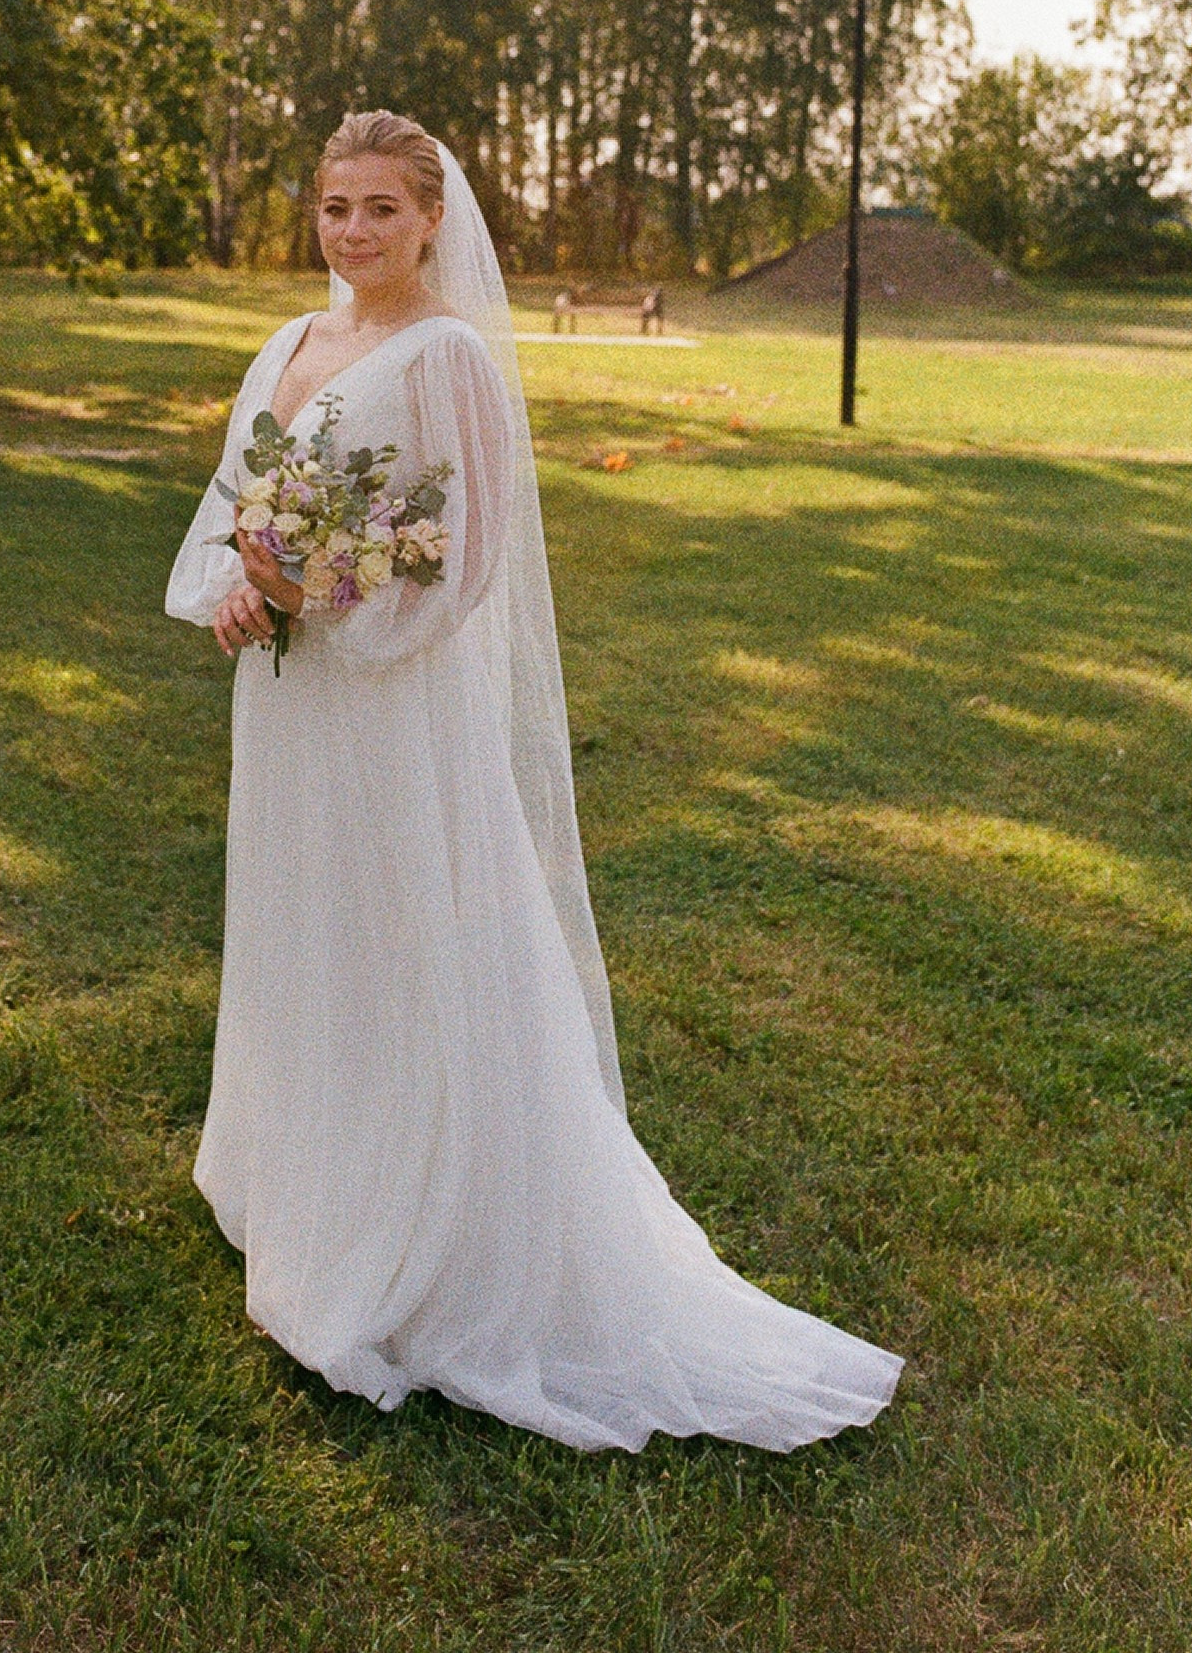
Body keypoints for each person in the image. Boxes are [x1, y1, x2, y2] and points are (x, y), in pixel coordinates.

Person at [167, 109, 902, 1454]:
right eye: (336, 209)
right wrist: (237, 588)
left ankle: (425, 1236)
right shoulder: (293, 340)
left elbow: (468, 553)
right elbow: (238, 497)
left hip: (384, 702)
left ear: (433, 216)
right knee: (309, 930)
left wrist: (322, 591)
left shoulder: (448, 355)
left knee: (405, 938)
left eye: (381, 209)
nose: (354, 234)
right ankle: (308, 1192)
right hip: (287, 705)